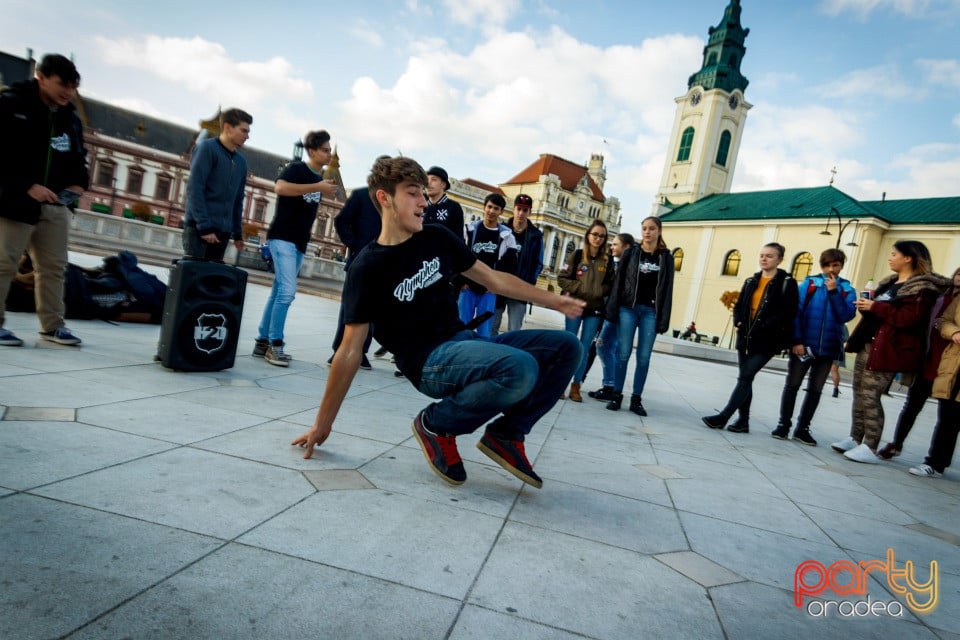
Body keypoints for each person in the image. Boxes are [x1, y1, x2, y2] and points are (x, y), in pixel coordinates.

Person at [291, 156, 584, 489]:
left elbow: (493, 279)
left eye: (425, 194)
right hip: (429, 362)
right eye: (413, 194)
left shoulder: (437, 238)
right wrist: (322, 424)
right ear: (385, 199)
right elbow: (349, 350)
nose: (423, 202)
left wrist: (554, 300)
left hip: (465, 342)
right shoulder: (367, 267)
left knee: (567, 347)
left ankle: (507, 434)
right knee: (520, 368)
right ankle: (436, 425)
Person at [832, 241, 949, 463]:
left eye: (894, 254)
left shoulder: (922, 288)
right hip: (869, 343)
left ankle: (871, 446)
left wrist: (876, 307)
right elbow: (881, 313)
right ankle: (855, 438)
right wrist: (867, 305)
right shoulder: (890, 283)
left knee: (870, 396)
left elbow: (909, 319)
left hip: (890, 349)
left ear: (909, 258)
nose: (890, 257)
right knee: (858, 392)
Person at [0, 54, 89, 347]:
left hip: (55, 206)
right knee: (4, 264)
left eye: (73, 87)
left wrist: (79, 183)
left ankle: (52, 326)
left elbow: (79, 157)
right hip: (15, 202)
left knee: (53, 268)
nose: (68, 92)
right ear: (41, 76)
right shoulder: (11, 104)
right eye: (63, 84)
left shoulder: (70, 118)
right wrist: (26, 185)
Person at [253, 130, 339, 367]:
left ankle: (262, 340)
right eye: (325, 149)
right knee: (287, 292)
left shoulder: (319, 177)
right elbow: (280, 188)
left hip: (300, 242)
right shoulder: (297, 169)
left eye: (329, 150)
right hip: (282, 238)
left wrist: (318, 186)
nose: (329, 153)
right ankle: (275, 344)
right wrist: (316, 187)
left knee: (278, 291)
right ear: (312, 151)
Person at [702, 243, 798, 433]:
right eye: (762, 255)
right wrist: (738, 321)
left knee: (745, 376)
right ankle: (743, 422)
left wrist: (766, 325)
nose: (764, 259)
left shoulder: (787, 283)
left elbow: (789, 312)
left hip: (768, 341)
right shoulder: (750, 281)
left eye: (770, 256)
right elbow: (740, 306)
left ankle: (724, 416)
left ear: (779, 259)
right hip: (745, 337)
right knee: (746, 378)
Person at [772, 248, 857, 446]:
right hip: (804, 345)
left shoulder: (847, 289)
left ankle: (803, 429)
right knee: (792, 385)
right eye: (827, 265)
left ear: (841, 266)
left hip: (828, 349)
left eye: (835, 265)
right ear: (821, 266)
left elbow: (845, 316)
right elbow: (796, 312)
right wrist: (797, 341)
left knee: (815, 390)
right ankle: (783, 424)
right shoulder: (809, 284)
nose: (831, 269)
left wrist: (834, 291)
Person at [878, 266, 960, 459]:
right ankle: (896, 443)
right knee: (911, 407)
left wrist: (946, 328)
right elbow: (933, 320)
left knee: (947, 416)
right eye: (958, 273)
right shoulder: (939, 295)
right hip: (928, 359)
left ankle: (936, 459)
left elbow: (943, 323)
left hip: (949, 365)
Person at [605, 217, 674, 415]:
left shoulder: (666, 257)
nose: (647, 232)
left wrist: (664, 318)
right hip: (628, 308)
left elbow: (668, 289)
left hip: (650, 312)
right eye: (644, 228)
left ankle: (636, 399)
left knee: (644, 357)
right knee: (623, 353)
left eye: (652, 229)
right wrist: (613, 308)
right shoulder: (631, 253)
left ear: (659, 231)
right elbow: (619, 282)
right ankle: (616, 395)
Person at [182, 108, 252, 261]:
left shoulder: (241, 162)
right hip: (199, 229)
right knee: (192, 279)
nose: (247, 136)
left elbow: (238, 199)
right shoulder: (207, 148)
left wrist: (237, 233)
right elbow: (195, 189)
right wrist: (204, 226)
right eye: (244, 131)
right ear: (227, 127)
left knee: (212, 281)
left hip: (223, 232)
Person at [558, 220, 614, 402]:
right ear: (588, 235)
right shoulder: (577, 255)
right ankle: (559, 385)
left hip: (594, 309)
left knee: (584, 348)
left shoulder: (607, 259)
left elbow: (610, 284)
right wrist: (579, 287)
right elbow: (562, 278)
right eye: (595, 234)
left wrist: (598, 291)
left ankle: (576, 386)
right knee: (569, 344)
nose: (598, 238)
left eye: (602, 236)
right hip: (575, 305)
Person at [328, 185, 383, 369]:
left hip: (382, 264)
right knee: (349, 308)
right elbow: (341, 221)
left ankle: (361, 352)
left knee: (373, 312)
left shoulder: (394, 200)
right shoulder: (361, 195)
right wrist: (353, 243)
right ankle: (339, 350)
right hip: (358, 261)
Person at [910, 293, 960, 478]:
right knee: (947, 417)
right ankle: (935, 462)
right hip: (954, 365)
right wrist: (954, 332)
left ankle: (939, 461)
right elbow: (944, 321)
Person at [458, 194, 518, 337]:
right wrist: (460, 282)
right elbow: (457, 258)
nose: (491, 211)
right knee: (461, 327)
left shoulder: (507, 237)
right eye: (489, 207)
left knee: (485, 331)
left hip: (489, 291)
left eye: (496, 208)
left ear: (501, 212)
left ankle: (480, 357)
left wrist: (496, 286)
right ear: (484, 207)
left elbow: (510, 267)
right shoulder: (470, 230)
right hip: (467, 288)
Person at [588, 232, 634, 401]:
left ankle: (611, 386)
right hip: (615, 312)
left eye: (615, 244)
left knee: (603, 345)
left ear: (626, 247)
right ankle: (611, 385)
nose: (611, 247)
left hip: (618, 314)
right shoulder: (623, 264)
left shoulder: (628, 266)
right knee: (608, 347)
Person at [491, 193, 543, 335]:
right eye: (518, 209)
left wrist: (529, 284)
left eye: (525, 210)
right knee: (491, 327)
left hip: (520, 288)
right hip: (499, 286)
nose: (521, 213)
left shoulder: (536, 236)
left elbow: (538, 263)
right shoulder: (501, 230)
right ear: (513, 209)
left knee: (514, 331)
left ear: (530, 212)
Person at [422, 166, 464, 239]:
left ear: (443, 185)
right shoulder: (420, 204)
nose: (428, 183)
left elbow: (458, 238)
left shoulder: (454, 207)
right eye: (427, 180)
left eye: (433, 180)